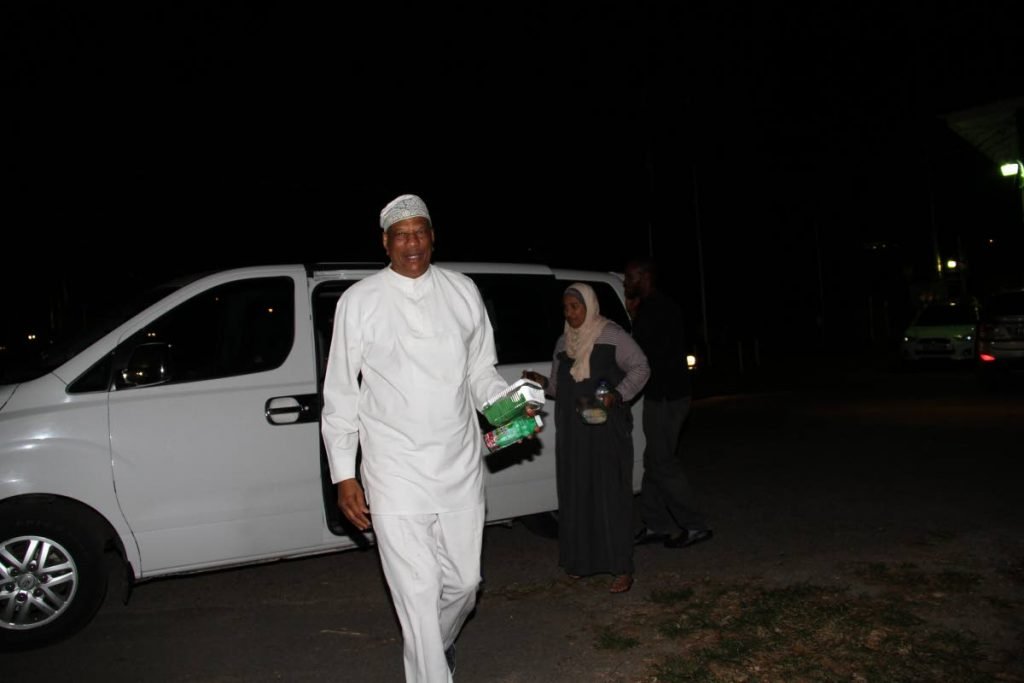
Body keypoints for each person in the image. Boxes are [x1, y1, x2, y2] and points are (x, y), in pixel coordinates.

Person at [322, 194, 523, 682]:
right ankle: (431, 666)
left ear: (433, 237)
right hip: (394, 472)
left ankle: (437, 644)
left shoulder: (462, 291)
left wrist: (510, 407)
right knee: (416, 593)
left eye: (420, 232)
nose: (411, 243)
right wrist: (344, 474)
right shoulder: (360, 301)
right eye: (401, 235)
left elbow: (480, 373)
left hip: (459, 465)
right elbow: (340, 394)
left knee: (464, 584)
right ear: (385, 243)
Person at [523, 282, 649, 594]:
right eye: (566, 308)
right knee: (577, 495)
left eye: (575, 306)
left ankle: (621, 568)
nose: (570, 313)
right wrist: (541, 382)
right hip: (573, 433)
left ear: (589, 306)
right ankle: (580, 563)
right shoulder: (563, 342)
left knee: (610, 496)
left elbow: (641, 368)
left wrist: (618, 396)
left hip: (605, 431)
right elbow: (557, 387)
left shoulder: (612, 335)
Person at [624, 258, 713, 549]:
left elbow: (644, 353)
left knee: (663, 462)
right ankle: (656, 524)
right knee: (654, 460)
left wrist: (634, 319)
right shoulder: (658, 307)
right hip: (662, 395)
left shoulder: (656, 309)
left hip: (668, 397)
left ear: (645, 277)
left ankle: (695, 525)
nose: (626, 281)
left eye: (631, 276)